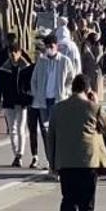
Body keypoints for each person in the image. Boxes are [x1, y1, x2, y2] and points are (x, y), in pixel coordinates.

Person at [48, 75, 106, 211]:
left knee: (68, 199)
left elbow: (50, 137)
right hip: (88, 162)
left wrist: (52, 162)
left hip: (65, 162)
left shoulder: (58, 109)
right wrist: (97, 102)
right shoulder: (93, 108)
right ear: (87, 90)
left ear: (72, 89)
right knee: (87, 203)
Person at [29, 34, 76, 170]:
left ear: (57, 46)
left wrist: (66, 92)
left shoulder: (64, 61)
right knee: (47, 132)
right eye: (47, 46)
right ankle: (51, 162)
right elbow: (34, 80)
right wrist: (36, 94)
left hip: (59, 100)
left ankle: (61, 160)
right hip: (43, 101)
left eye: (51, 46)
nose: (49, 49)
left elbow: (71, 79)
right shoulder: (41, 62)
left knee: (59, 132)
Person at [0, 43, 32, 168]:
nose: (13, 55)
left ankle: (20, 154)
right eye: (11, 52)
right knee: (12, 129)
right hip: (9, 101)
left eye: (15, 52)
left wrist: (29, 98)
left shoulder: (26, 68)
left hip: (22, 102)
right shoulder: (4, 68)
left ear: (20, 53)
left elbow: (30, 85)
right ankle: (16, 154)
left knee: (21, 128)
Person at [80, 33, 104, 102]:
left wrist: (90, 53)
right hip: (87, 71)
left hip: (95, 71)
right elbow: (82, 59)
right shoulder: (85, 47)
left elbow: (96, 59)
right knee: (88, 89)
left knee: (94, 89)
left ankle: (94, 102)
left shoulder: (97, 47)